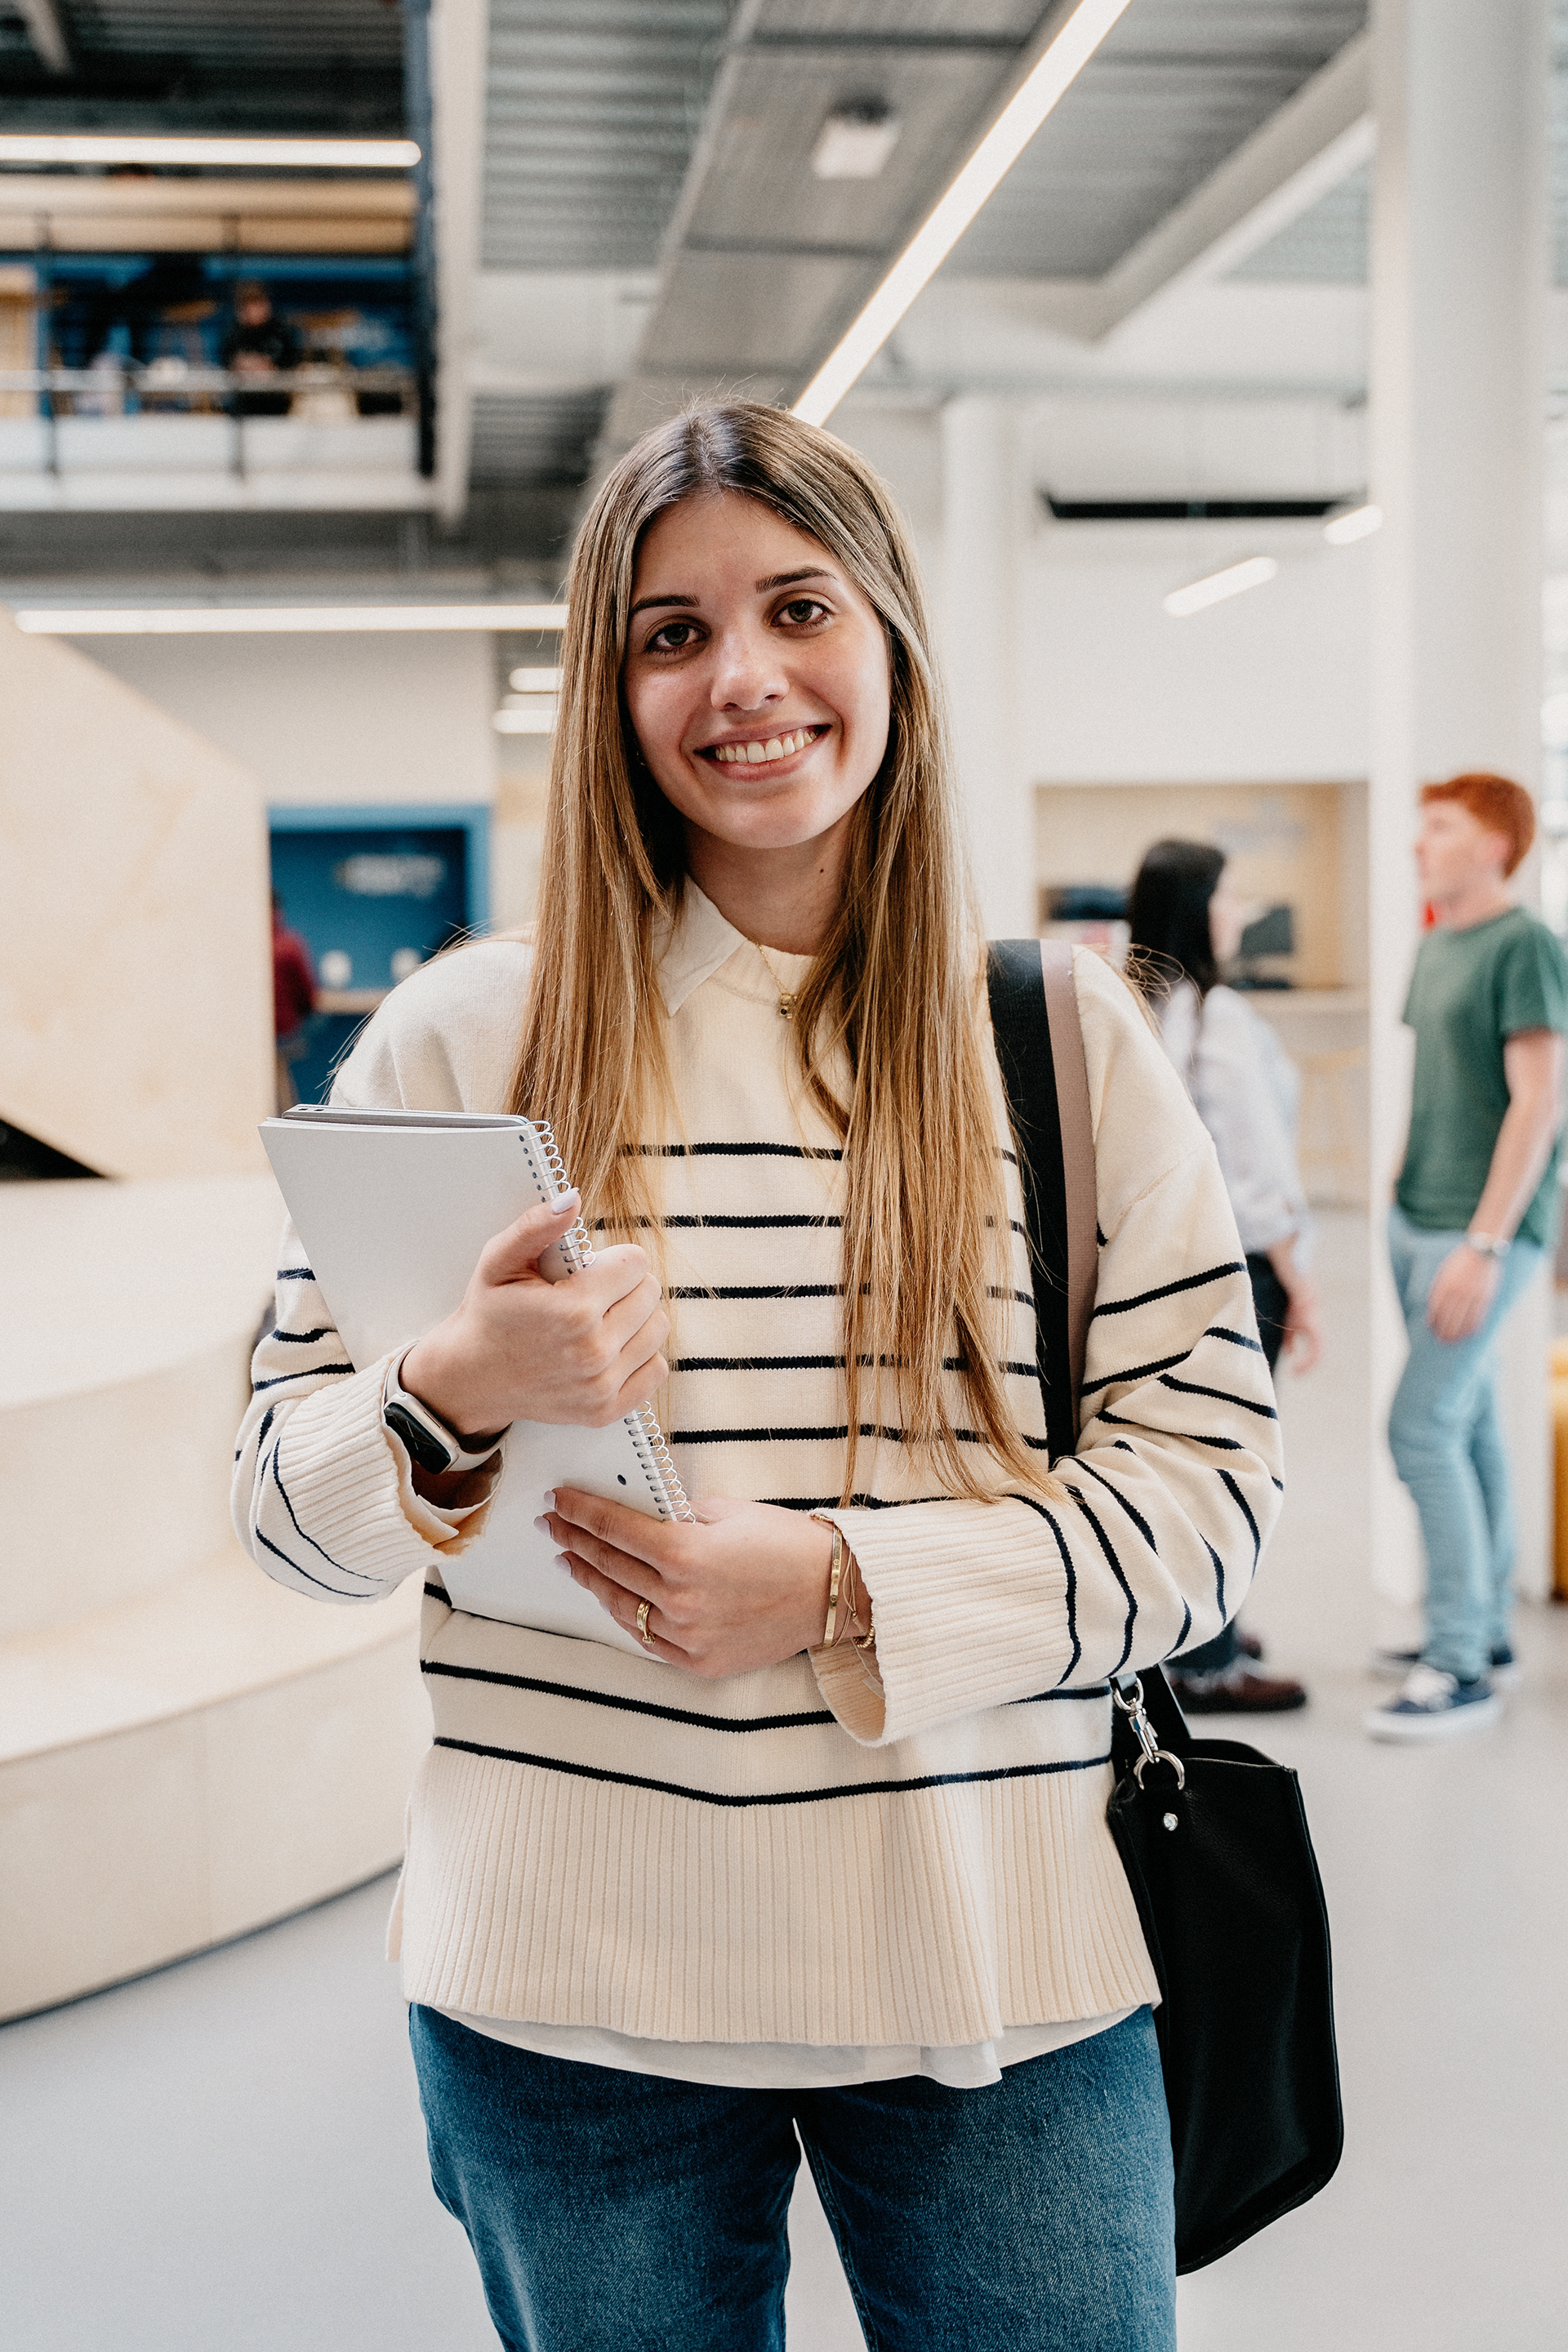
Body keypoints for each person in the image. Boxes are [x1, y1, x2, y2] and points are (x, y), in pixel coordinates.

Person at [234, 403, 1283, 2351]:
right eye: (667, 632)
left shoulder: (1061, 1040)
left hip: (997, 1970)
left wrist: (835, 1586)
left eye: (797, 605)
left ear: (885, 637)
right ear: (609, 687)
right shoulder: (475, 1031)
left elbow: (1216, 1509)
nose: (743, 680)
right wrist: (456, 1381)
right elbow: (283, 1517)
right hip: (566, 1995)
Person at [1366, 773, 1567, 1743]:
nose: (1420, 844)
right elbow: (1432, 1082)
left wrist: (1485, 1245)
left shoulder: (1526, 944)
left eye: (1439, 828)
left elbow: (1539, 1102)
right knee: (1471, 1421)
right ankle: (1483, 1632)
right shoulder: (1437, 938)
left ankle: (1456, 1668)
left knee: (1420, 1430)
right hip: (1417, 1216)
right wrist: (1395, 1193)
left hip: (1479, 1233)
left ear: (1496, 844)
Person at [1127, 839, 1321, 1713]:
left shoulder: (1133, 1003)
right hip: (1243, 1267)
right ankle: (1209, 1664)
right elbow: (1254, 1170)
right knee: (1233, 1462)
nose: (1239, 910)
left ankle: (1207, 1631)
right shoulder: (1219, 1015)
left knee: (1182, 1447)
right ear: (1199, 906)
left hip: (1164, 1265)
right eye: (1229, 894)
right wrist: (1302, 1281)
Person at [220, 280, 300, 416]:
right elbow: (228, 360)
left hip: (277, 406)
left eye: (255, 303)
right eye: (245, 305)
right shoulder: (234, 331)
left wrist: (266, 365)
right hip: (243, 406)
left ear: (266, 304)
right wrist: (242, 364)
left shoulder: (281, 330)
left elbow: (286, 362)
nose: (251, 310)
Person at [271, 892, 317, 1111]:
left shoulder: (242, 946)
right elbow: (308, 998)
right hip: (285, 1033)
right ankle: (290, 1117)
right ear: (279, 911)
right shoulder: (290, 945)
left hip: (247, 1038)